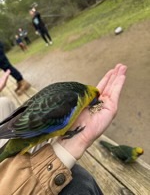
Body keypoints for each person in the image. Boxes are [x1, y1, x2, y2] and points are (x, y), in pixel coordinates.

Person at [0, 64, 127, 195]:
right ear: (89, 95)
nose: (94, 102)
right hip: (29, 132)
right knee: (81, 182)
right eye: (95, 99)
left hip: (25, 121)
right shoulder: (73, 100)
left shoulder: (68, 88)